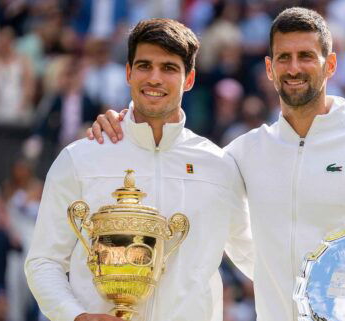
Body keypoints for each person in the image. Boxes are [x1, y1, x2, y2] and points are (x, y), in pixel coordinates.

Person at [88, 7, 345, 321]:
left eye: (306, 56)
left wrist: (332, 298)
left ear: (330, 65)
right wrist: (125, 124)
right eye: (283, 58)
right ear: (269, 67)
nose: (293, 68)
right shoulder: (242, 153)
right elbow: (178, 161)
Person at [25, 18, 253, 321]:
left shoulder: (219, 166)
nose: (155, 78)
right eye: (145, 66)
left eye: (169, 68)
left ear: (189, 79)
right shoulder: (80, 158)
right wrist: (77, 316)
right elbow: (43, 261)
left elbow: (254, 258)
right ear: (129, 72)